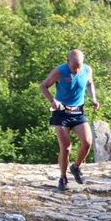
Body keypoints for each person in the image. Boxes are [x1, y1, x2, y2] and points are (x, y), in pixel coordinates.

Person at [40, 49, 100, 192]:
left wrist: (94, 98)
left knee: (87, 143)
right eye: (73, 67)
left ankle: (76, 166)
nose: (76, 70)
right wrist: (52, 100)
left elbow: (89, 83)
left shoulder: (87, 70)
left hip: (78, 112)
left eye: (79, 67)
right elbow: (43, 86)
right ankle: (62, 177)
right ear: (68, 62)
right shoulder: (59, 71)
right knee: (66, 148)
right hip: (61, 112)